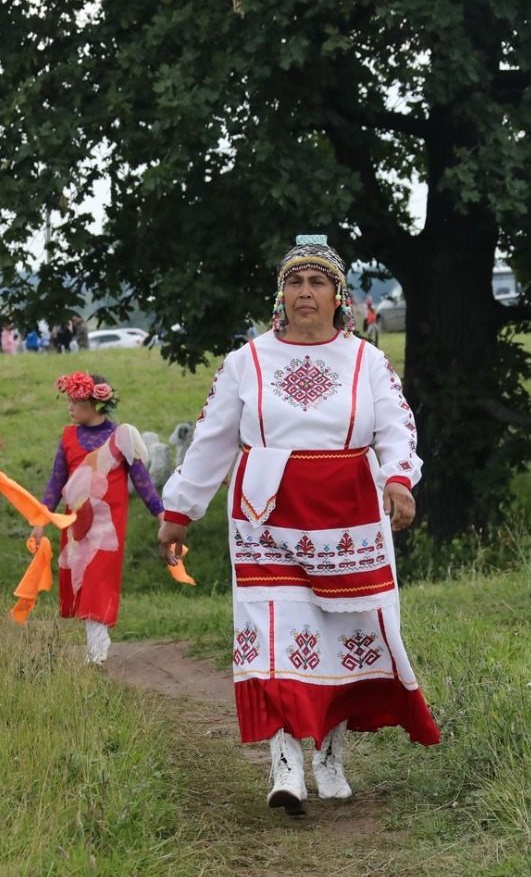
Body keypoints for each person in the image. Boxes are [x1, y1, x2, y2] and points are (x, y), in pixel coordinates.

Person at [157, 234, 439, 817]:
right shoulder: (246, 361)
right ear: (280, 295)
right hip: (267, 514)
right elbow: (211, 440)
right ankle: (285, 760)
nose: (305, 292)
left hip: (348, 515)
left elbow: (396, 427)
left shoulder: (366, 360)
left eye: (317, 282)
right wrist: (179, 510)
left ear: (339, 296)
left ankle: (330, 753)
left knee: (345, 632)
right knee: (275, 630)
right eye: (294, 281)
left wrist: (398, 478)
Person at [43, 373, 164, 664]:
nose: (70, 407)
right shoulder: (68, 437)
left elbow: (142, 480)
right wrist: (40, 517)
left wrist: (160, 513)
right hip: (77, 523)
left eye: (76, 402)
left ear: (96, 403)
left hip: (108, 524)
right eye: (69, 401)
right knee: (84, 578)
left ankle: (95, 651)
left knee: (99, 577)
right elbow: (56, 481)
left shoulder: (121, 437)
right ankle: (96, 641)